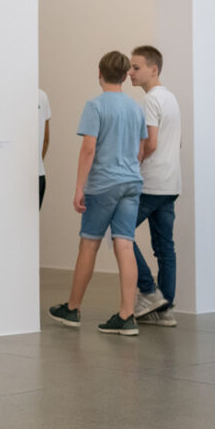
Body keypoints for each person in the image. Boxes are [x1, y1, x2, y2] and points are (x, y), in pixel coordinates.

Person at [48, 51, 147, 336]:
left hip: (103, 184)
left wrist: (79, 188)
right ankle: (127, 315)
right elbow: (140, 150)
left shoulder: (95, 105)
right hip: (131, 183)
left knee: (89, 245)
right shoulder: (135, 107)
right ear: (126, 76)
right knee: (125, 245)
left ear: (100, 74)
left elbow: (88, 149)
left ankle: (73, 308)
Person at [128, 46, 182, 327]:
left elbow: (150, 144)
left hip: (151, 182)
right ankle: (166, 309)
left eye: (136, 67)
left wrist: (131, 165)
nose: (130, 72)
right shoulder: (171, 98)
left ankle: (149, 291)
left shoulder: (150, 101)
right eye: (130, 67)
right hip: (171, 182)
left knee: (120, 232)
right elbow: (177, 143)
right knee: (165, 247)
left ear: (154, 69)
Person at [38, 88, 51, 209]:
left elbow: (46, 139)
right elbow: (46, 139)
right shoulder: (42, 96)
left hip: (36, 173)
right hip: (38, 173)